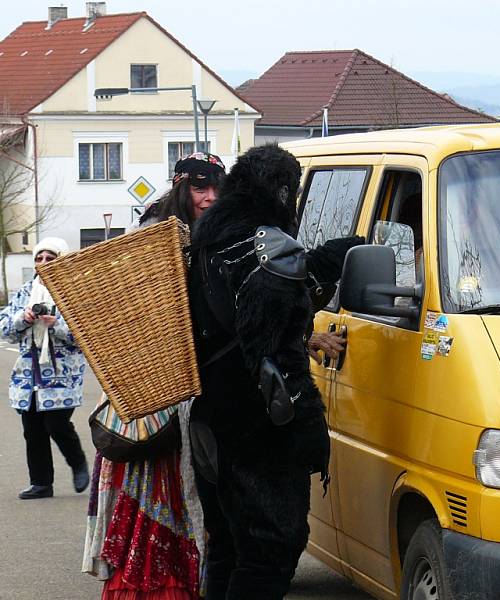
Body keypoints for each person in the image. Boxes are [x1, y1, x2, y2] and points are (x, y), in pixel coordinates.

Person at [188, 144, 362, 600]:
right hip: (257, 431)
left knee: (226, 545)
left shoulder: (204, 243)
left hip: (208, 418)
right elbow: (276, 362)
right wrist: (308, 432)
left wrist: (320, 261)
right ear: (283, 191)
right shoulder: (268, 249)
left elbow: (251, 307)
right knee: (272, 549)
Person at [82, 151, 227, 600]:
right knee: (161, 483)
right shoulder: (155, 234)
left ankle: (183, 579)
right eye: (200, 188)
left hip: (193, 383)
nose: (210, 197)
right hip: (155, 390)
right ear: (183, 187)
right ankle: (151, 585)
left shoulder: (214, 233)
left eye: (216, 188)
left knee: (191, 493)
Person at [0, 237, 89, 500]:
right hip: (29, 375)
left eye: (51, 258)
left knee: (56, 424)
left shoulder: (74, 292)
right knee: (32, 429)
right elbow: (5, 329)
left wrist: (56, 325)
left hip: (62, 373)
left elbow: (84, 334)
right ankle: (41, 483)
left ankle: (78, 464)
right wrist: (23, 318)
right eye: (39, 258)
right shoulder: (26, 292)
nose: (44, 263)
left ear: (62, 259)